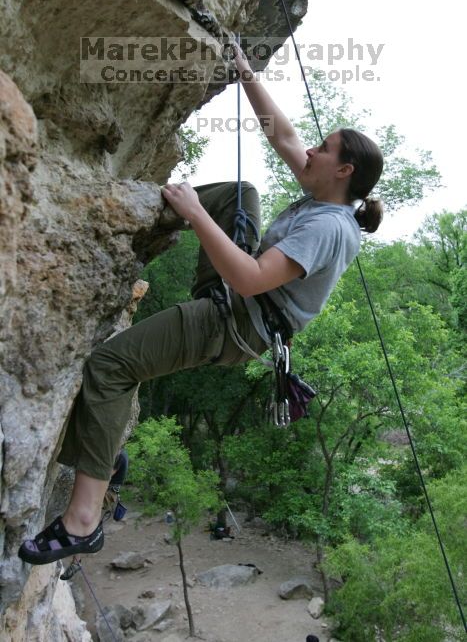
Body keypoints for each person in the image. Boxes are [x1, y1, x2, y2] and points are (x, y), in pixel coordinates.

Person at [18, 47, 384, 565]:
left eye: (322, 150)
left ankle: (83, 521)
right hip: (234, 300)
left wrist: (194, 213)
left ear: (343, 170)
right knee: (242, 192)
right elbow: (283, 135)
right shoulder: (323, 196)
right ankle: (151, 209)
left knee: (110, 367)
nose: (310, 153)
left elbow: (251, 277)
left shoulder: (328, 227)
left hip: (233, 323)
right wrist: (244, 72)